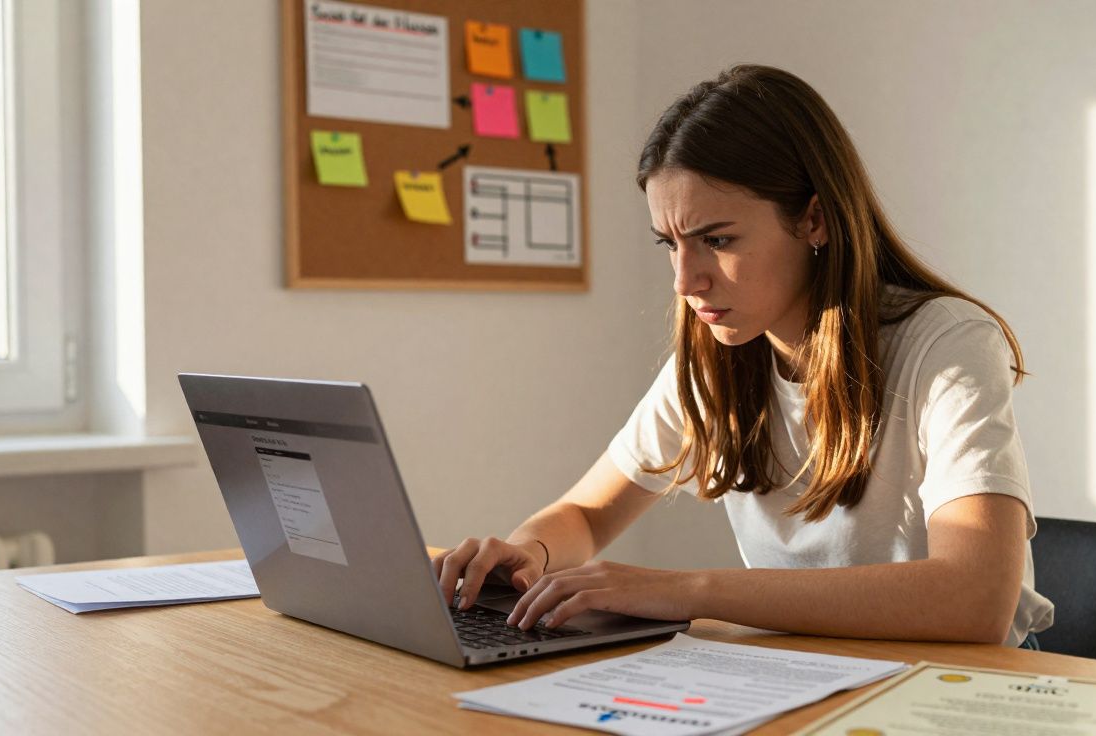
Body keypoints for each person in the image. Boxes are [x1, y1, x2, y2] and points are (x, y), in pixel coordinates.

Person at [433, 64, 1054, 647]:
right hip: (802, 676)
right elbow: (586, 515)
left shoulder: (946, 345)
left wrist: (684, 591)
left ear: (815, 219)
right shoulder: (715, 355)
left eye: (717, 240)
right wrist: (527, 558)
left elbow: (975, 599)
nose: (686, 281)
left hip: (954, 691)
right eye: (670, 245)